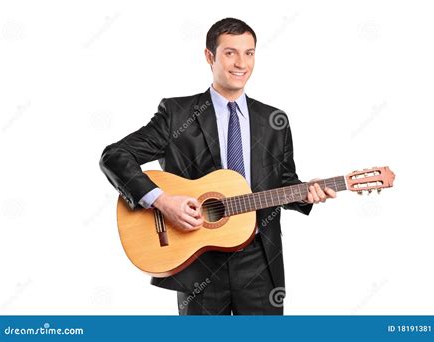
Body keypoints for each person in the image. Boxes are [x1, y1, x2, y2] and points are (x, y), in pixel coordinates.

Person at [99, 17, 336, 315]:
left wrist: (305, 193)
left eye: (249, 53)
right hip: (197, 261)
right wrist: (162, 201)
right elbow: (115, 156)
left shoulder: (274, 121)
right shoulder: (177, 114)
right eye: (230, 52)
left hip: (259, 263)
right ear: (209, 56)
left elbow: (284, 181)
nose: (241, 63)